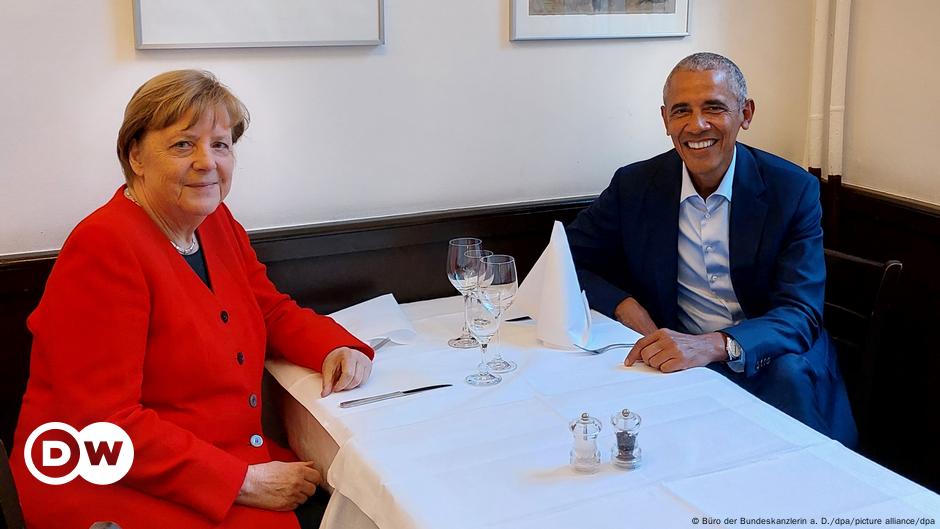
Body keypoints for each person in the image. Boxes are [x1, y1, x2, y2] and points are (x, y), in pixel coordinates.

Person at [10, 70, 374, 529]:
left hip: (211, 454)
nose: (207, 162)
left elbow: (269, 308)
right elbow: (105, 423)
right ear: (136, 155)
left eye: (220, 145)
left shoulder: (215, 221)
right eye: (183, 144)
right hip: (111, 481)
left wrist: (334, 346)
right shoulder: (103, 247)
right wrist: (242, 482)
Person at [567, 52, 857, 447]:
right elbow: (567, 260)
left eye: (714, 108)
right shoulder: (634, 185)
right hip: (679, 364)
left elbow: (800, 314)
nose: (696, 125)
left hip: (773, 360)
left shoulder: (792, 190)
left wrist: (713, 345)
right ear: (666, 119)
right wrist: (624, 305)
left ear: (746, 114)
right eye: (681, 110)